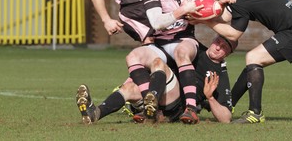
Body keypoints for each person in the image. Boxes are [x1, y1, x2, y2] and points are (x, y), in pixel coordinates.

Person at [200, 0, 292, 124]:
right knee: (253, 62)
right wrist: (217, 6)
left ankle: (255, 113)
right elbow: (226, 17)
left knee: (253, 58)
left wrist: (205, 22)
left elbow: (233, 34)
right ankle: (230, 104)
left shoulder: (244, 1)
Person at [126, 0, 207, 124]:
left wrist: (197, 18)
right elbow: (157, 23)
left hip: (184, 39)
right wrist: (183, 10)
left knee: (182, 52)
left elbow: (208, 11)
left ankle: (191, 109)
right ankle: (149, 104)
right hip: (160, 44)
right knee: (133, 56)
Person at [75, 35, 237, 124]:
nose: (217, 47)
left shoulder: (220, 74)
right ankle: (95, 113)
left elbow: (226, 118)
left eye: (224, 47)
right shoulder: (192, 48)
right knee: (128, 89)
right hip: (161, 91)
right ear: (213, 38)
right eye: (218, 41)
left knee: (159, 64)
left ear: (228, 53)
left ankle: (150, 105)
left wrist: (210, 97)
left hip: (177, 106)